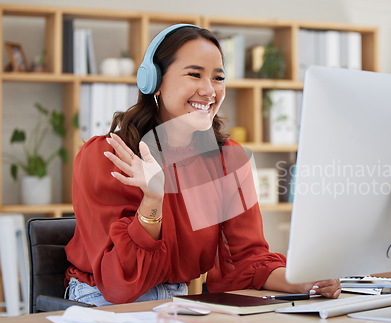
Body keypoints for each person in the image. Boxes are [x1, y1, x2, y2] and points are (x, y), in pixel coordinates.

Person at [65, 24, 341, 306]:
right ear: (154, 81)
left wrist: (304, 281)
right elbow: (119, 283)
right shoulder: (107, 156)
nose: (210, 91)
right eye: (194, 74)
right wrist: (153, 200)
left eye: (218, 78)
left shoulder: (228, 160)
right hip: (101, 298)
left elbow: (247, 258)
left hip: (179, 300)